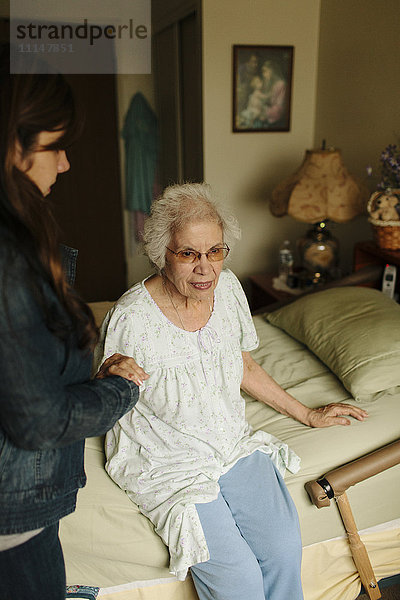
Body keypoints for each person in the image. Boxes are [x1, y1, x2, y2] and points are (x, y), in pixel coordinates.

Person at [96, 182, 368, 600]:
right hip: (167, 457)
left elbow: (241, 364)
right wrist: (109, 373)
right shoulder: (130, 317)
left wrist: (308, 415)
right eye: (188, 254)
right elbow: (105, 393)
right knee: (238, 580)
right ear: (160, 253)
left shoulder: (229, 290)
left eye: (215, 251)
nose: (205, 268)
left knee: (282, 548)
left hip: (229, 440)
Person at [0, 45, 140, 600]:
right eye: (55, 148)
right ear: (13, 145)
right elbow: (37, 422)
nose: (65, 164)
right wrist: (117, 389)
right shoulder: (9, 258)